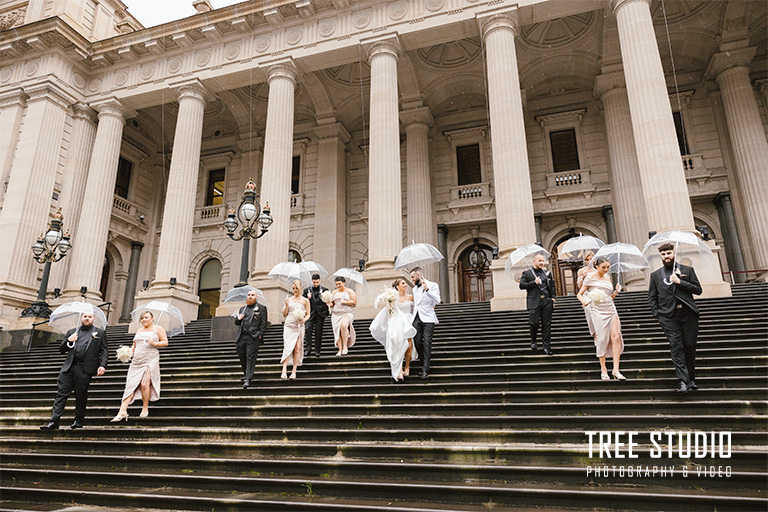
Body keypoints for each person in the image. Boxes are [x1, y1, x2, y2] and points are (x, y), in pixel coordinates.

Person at [648, 242, 702, 393]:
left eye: (668, 253)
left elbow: (698, 290)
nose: (666, 257)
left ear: (674, 254)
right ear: (661, 256)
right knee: (676, 346)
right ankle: (683, 381)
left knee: (689, 345)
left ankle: (691, 379)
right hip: (668, 316)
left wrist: (680, 282)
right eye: (663, 254)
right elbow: (652, 297)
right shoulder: (656, 275)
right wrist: (657, 313)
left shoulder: (687, 270)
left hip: (687, 313)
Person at [40, 312, 108, 430]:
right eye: (85, 316)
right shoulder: (72, 332)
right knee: (61, 394)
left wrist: (102, 365)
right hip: (69, 368)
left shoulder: (100, 333)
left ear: (93, 319)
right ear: (81, 318)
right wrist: (69, 341)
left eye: (89, 317)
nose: (87, 319)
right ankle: (54, 421)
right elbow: (62, 349)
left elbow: (104, 350)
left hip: (84, 368)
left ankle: (78, 420)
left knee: (81, 395)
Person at [111, 311, 168, 421]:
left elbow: (165, 342)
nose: (143, 320)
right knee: (130, 385)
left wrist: (155, 343)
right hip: (137, 361)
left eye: (146, 317)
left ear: (152, 318)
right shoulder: (139, 330)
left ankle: (145, 408)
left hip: (150, 359)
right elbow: (135, 345)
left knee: (144, 384)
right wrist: (127, 352)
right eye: (142, 318)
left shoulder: (158, 329)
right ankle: (122, 411)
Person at [577, 257, 625, 380]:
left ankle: (616, 370)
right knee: (601, 339)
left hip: (611, 309)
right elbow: (579, 294)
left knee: (615, 337)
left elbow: (609, 297)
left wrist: (616, 292)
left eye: (608, 267)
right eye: (603, 267)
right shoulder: (589, 278)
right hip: (597, 311)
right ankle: (603, 369)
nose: (606, 269)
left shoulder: (608, 278)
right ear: (596, 266)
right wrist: (585, 302)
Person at [370, 278, 418, 381]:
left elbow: (415, 310)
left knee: (409, 346)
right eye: (403, 283)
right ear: (397, 286)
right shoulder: (392, 297)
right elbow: (389, 311)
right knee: (398, 346)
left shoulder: (411, 297)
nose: (405, 285)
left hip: (408, 322)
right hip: (397, 323)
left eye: (405, 283)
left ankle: (407, 367)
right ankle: (399, 369)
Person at [519, 253, 556, 355]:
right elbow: (522, 285)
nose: (542, 263)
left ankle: (546, 347)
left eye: (543, 261)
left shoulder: (546, 273)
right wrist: (533, 283)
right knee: (534, 323)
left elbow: (552, 286)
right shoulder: (527, 273)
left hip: (546, 301)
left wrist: (553, 298)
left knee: (546, 325)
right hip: (534, 302)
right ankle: (533, 340)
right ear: (534, 261)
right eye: (539, 261)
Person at [234, 289, 268, 389]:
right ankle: (247, 373)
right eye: (248, 295)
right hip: (241, 336)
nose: (250, 296)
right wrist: (238, 319)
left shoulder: (261, 308)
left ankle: (248, 379)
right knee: (242, 356)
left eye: (252, 295)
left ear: (256, 297)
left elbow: (264, 323)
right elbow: (237, 323)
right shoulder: (242, 309)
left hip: (253, 336)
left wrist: (260, 334)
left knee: (250, 357)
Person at [410, 267, 440, 379]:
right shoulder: (414, 289)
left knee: (427, 342)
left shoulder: (433, 285)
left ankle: (425, 369)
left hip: (428, 317)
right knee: (417, 341)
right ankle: (424, 362)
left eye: (413, 277)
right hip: (417, 317)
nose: (412, 279)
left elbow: (437, 300)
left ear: (418, 274)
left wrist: (427, 290)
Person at [281, 280, 310, 379]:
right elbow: (284, 314)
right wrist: (286, 305)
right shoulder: (288, 299)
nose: (294, 290)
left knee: (297, 348)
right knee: (288, 346)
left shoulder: (305, 300)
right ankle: (284, 369)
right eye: (293, 288)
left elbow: (308, 314)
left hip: (299, 326)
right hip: (289, 325)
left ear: (300, 288)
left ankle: (294, 371)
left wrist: (304, 320)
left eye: (296, 288)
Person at [303, 273, 329, 358]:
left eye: (317, 282)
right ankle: (308, 349)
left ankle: (317, 350)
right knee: (307, 330)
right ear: (312, 281)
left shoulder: (325, 290)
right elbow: (303, 302)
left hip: (320, 314)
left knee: (318, 333)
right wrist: (307, 298)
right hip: (310, 314)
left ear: (319, 281)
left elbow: (328, 302)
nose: (315, 284)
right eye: (314, 282)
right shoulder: (307, 290)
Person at [329, 276, 357, 356]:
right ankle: (340, 349)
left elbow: (354, 302)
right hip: (336, 314)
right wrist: (328, 303)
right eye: (337, 284)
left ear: (344, 283)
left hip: (347, 313)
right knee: (337, 330)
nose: (338, 286)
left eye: (339, 284)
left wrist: (345, 302)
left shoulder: (349, 291)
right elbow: (332, 304)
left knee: (343, 326)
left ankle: (345, 346)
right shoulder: (334, 292)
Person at [577, 251, 596, 340]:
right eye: (587, 260)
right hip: (585, 294)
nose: (589, 261)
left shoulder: (597, 271)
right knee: (589, 311)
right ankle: (594, 334)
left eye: (591, 259)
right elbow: (579, 286)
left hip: (595, 293)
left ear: (594, 260)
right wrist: (583, 277)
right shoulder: (581, 271)